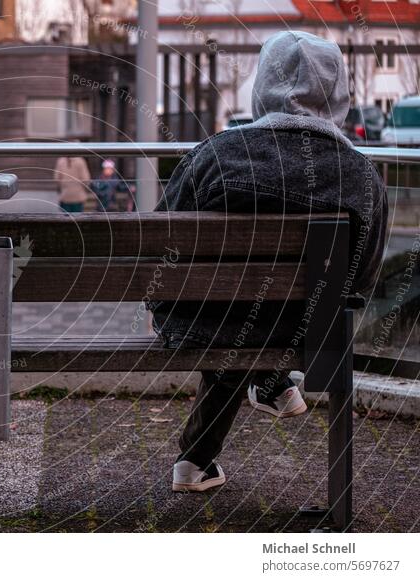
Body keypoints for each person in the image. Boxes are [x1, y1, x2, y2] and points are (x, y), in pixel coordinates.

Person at [149, 31, 388, 492]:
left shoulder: (215, 155)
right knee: (263, 319)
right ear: (337, 92)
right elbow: (362, 278)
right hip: (307, 333)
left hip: (201, 321)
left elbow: (161, 248)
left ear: (262, 85)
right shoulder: (359, 174)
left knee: (235, 316)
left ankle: (222, 434)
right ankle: (271, 381)